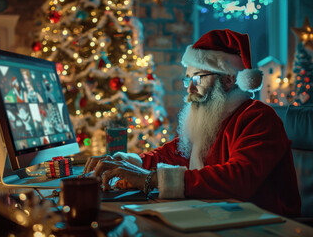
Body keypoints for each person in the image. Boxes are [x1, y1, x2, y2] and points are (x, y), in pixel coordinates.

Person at [83, 29, 301, 217]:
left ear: (229, 79)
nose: (189, 89)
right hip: (218, 217)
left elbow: (238, 179)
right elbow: (172, 154)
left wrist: (150, 179)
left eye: (197, 78)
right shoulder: (213, 119)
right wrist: (127, 164)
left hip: (263, 226)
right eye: (188, 79)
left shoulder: (258, 118)